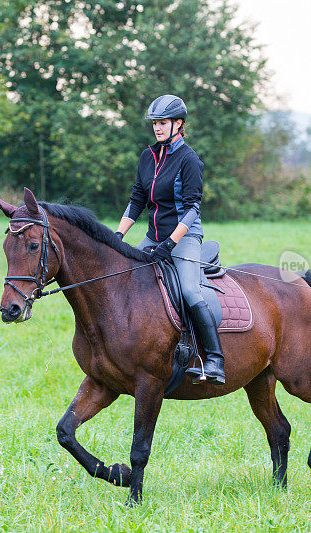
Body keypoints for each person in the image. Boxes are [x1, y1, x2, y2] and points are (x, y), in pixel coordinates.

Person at [114, 94, 225, 385]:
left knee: (189, 290)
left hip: (184, 237)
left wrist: (171, 244)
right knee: (123, 276)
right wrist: (118, 235)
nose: (158, 128)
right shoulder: (147, 157)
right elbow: (137, 199)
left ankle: (214, 359)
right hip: (153, 237)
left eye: (163, 123)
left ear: (179, 124)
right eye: (155, 124)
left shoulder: (189, 160)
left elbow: (192, 208)